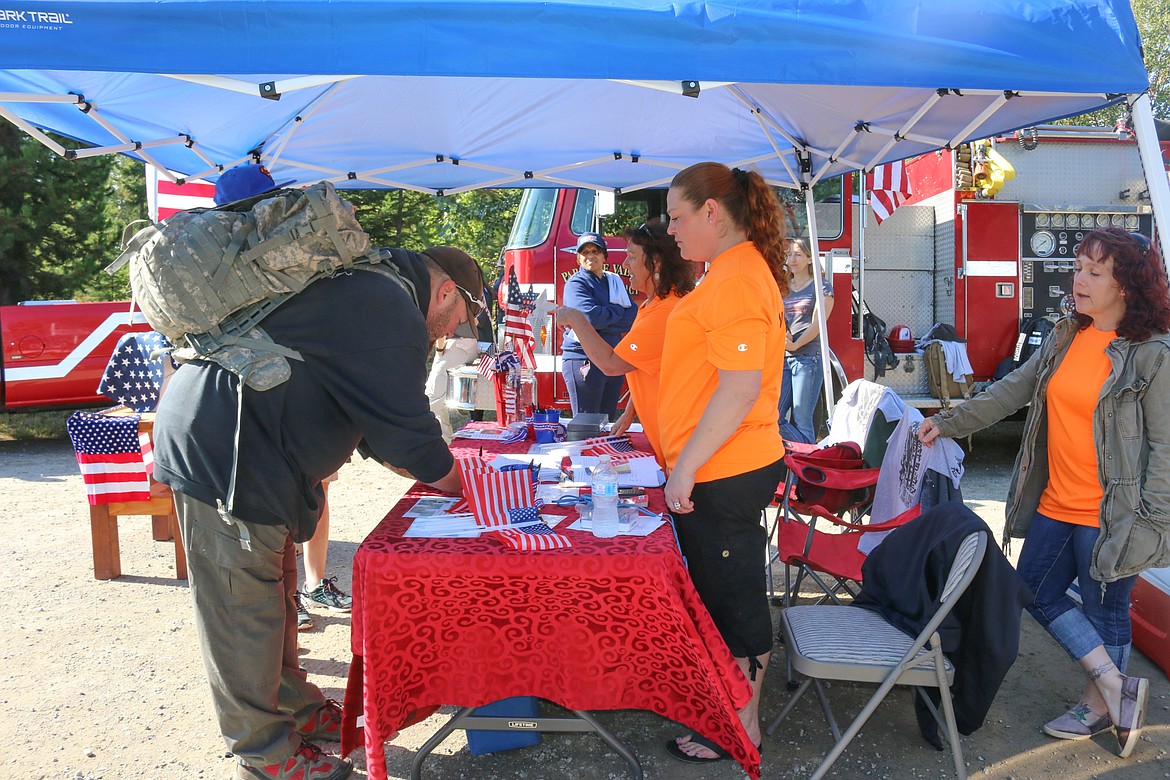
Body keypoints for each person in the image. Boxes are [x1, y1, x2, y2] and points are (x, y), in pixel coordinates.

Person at [154, 164, 480, 780]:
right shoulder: (389, 307)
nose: (457, 331)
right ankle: (264, 753)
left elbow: (376, 427)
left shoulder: (371, 291)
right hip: (228, 453)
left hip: (252, 448)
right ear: (445, 292)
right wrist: (469, 491)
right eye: (462, 314)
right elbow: (409, 435)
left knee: (272, 596)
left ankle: (295, 708)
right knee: (241, 608)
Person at [918, 227, 1170, 759]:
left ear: (1126, 285)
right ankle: (1115, 685)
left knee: (1108, 611)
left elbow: (1167, 447)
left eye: (1094, 272)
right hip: (1056, 501)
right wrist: (950, 421)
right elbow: (1014, 389)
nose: (1078, 280)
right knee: (1031, 590)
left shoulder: (1152, 354)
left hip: (1114, 513)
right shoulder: (1065, 336)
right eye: (1077, 267)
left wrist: (1152, 519)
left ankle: (1101, 706)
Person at [657, 162, 788, 763]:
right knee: (721, 594)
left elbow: (738, 389)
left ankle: (744, 725)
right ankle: (733, 713)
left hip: (724, 469)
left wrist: (684, 468)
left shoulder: (735, 278)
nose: (671, 229)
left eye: (677, 217)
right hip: (722, 464)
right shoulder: (731, 271)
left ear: (712, 212)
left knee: (733, 599)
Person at [553, 220, 695, 465]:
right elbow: (645, 365)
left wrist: (576, 318)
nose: (624, 264)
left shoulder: (665, 310)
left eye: (631, 256)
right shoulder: (655, 304)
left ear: (656, 262)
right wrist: (629, 413)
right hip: (676, 441)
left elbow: (612, 364)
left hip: (684, 446)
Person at [559, 232, 637, 419]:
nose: (590, 256)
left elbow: (633, 317)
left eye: (595, 251)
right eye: (584, 252)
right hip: (582, 358)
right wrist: (618, 311)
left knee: (607, 423)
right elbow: (589, 318)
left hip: (612, 358)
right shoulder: (576, 283)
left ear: (604, 256)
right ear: (578, 258)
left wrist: (604, 317)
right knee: (587, 424)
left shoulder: (614, 281)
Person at [778, 237, 834, 444]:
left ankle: (807, 467)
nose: (792, 259)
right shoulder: (783, 286)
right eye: (789, 254)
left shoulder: (822, 287)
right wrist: (783, 334)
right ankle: (802, 457)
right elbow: (774, 315)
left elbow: (819, 323)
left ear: (811, 259)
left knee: (802, 420)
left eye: (798, 254)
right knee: (772, 416)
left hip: (808, 357)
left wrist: (796, 344)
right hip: (783, 357)